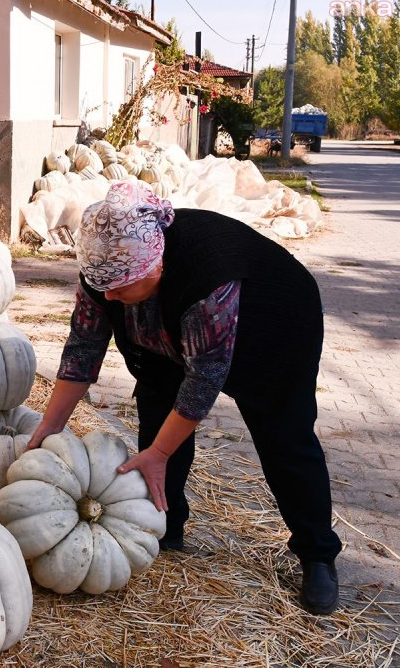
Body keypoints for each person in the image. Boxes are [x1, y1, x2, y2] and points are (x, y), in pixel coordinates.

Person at [28, 180, 343, 615]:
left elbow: (204, 378)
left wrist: (158, 452)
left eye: (119, 287)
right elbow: (83, 349)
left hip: (273, 323)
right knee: (157, 413)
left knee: (284, 437)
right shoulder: (106, 266)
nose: (108, 297)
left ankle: (318, 555)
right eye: (100, 286)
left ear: (153, 267)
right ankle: (165, 525)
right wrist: (49, 427)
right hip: (169, 330)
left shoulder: (207, 277)